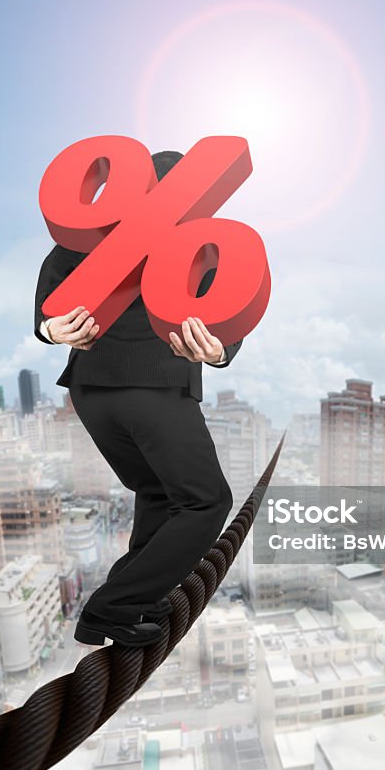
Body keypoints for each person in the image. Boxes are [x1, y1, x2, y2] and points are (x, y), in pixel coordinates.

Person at [33, 150, 243, 647]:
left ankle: (133, 604)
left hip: (90, 392)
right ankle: (113, 608)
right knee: (206, 502)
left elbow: (48, 298)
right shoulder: (199, 247)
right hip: (152, 385)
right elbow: (224, 318)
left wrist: (48, 329)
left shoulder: (90, 239)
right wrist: (217, 353)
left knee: (157, 495)